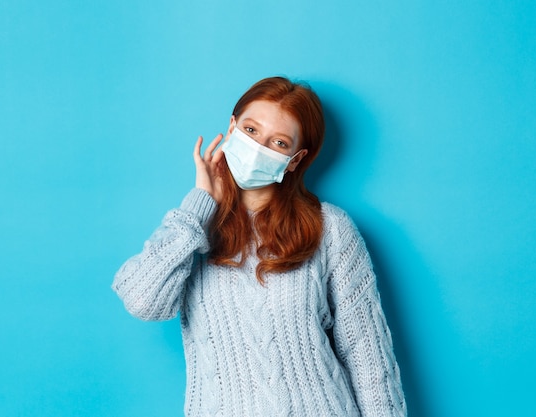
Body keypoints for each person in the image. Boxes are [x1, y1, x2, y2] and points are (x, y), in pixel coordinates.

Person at [112, 76, 406, 417]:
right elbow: (142, 301)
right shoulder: (192, 229)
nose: (258, 148)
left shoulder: (330, 228)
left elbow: (367, 354)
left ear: (295, 159)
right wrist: (199, 204)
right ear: (232, 126)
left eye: (278, 142)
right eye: (251, 131)